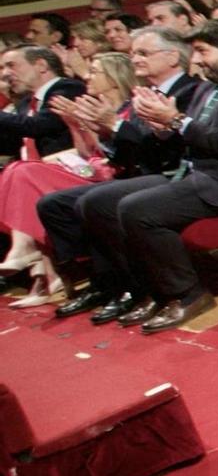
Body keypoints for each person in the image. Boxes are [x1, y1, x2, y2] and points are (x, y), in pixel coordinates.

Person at [65, 20, 218, 332]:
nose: (197, 60)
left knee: (137, 209)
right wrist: (165, 130)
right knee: (98, 202)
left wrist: (176, 120)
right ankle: (149, 289)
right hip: (197, 171)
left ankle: (187, 294)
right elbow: (196, 135)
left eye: (203, 51)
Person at [44, 28, 202, 316]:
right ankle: (106, 283)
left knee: (97, 201)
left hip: (175, 172)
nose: (135, 59)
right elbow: (131, 148)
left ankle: (144, 287)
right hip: (144, 170)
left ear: (172, 57)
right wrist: (102, 128)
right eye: (133, 54)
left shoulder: (190, 90)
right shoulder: (143, 95)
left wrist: (113, 125)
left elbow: (169, 149)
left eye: (143, 53)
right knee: (53, 204)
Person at [2, 52, 137, 306]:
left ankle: (38, 264)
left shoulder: (129, 105)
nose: (86, 76)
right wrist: (75, 124)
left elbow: (115, 154)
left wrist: (94, 123)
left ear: (114, 77)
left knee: (26, 174)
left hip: (115, 176)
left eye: (94, 72)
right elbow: (89, 151)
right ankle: (43, 273)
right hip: (90, 170)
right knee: (21, 174)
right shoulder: (90, 106)